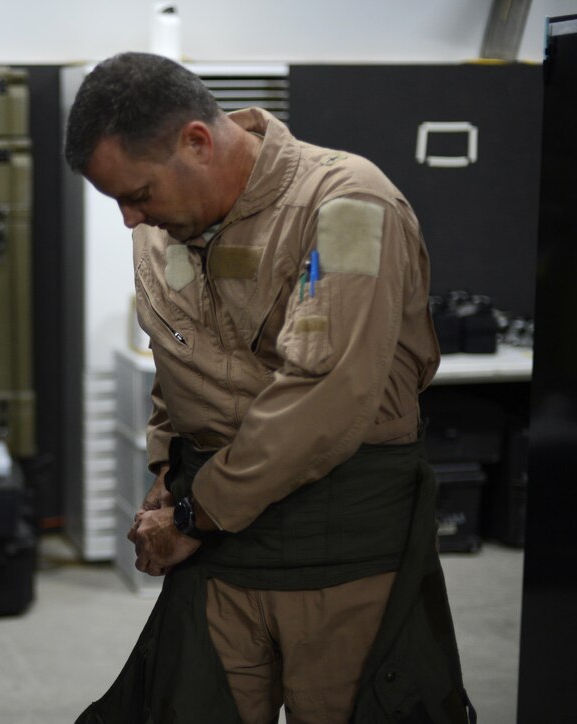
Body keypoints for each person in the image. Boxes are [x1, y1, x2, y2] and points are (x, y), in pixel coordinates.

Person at [65, 52, 473, 724]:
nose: (130, 222)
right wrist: (167, 478)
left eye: (137, 195)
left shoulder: (345, 205)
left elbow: (325, 397)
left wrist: (195, 515)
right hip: (220, 558)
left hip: (336, 556)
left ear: (196, 141)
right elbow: (176, 368)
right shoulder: (162, 232)